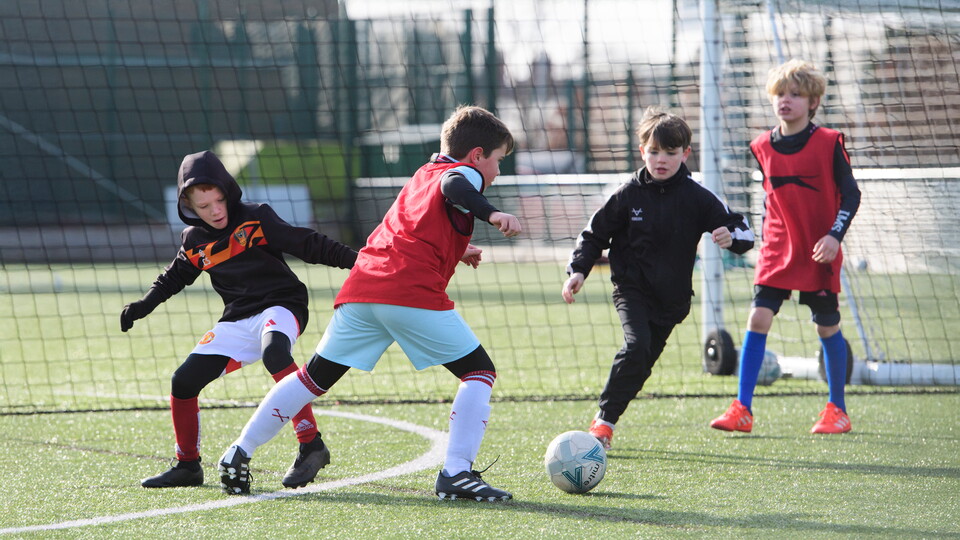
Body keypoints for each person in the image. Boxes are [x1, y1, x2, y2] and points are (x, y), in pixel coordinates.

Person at [217, 105, 521, 500]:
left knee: (310, 379)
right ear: (477, 154)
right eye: (497, 160)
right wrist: (493, 212)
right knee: (479, 372)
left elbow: (414, 225)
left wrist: (456, 250)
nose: (497, 171)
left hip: (363, 288)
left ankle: (238, 452)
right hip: (406, 291)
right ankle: (456, 473)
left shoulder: (421, 174)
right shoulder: (461, 175)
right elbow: (456, 188)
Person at [121, 150, 357, 489]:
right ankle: (187, 465)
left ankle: (311, 444)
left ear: (228, 192)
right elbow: (174, 277)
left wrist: (359, 261)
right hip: (237, 318)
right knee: (182, 382)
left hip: (281, 305)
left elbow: (308, 244)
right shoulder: (193, 241)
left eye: (219, 200)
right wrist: (143, 305)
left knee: (276, 354)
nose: (215, 210)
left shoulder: (255, 218)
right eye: (204, 206)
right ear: (188, 206)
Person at [563, 106, 755, 450]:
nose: (661, 159)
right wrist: (578, 270)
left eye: (670, 152)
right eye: (653, 151)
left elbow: (744, 230)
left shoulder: (698, 196)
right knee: (636, 347)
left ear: (686, 154)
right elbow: (593, 234)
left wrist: (731, 238)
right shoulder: (627, 194)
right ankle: (603, 425)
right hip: (631, 289)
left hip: (673, 300)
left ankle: (605, 421)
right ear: (642, 152)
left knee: (642, 363)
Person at [710, 59, 861, 435]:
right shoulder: (760, 146)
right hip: (777, 248)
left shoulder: (828, 142)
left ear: (813, 102)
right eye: (780, 93)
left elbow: (852, 195)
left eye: (795, 94)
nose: (786, 100)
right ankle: (742, 409)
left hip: (819, 249)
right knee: (757, 318)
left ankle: (837, 410)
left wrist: (833, 236)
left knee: (827, 327)